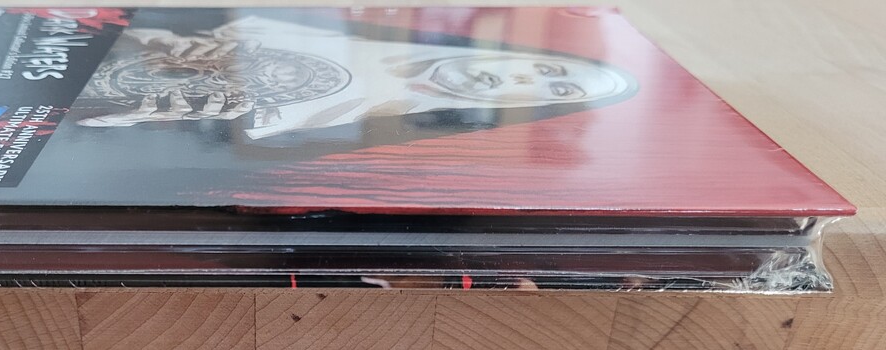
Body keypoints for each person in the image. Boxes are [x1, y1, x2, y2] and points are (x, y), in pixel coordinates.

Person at [76, 16, 633, 140]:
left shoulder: (359, 137)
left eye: (556, 92)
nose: (529, 81)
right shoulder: (362, 30)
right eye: (550, 69)